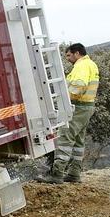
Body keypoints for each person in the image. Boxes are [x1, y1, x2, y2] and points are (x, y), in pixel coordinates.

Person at [38, 43, 99, 184]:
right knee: (78, 141)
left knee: (65, 138)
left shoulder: (81, 66)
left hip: (79, 107)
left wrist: (67, 98)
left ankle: (57, 174)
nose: (67, 58)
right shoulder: (91, 64)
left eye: (68, 55)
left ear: (77, 53)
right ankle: (74, 174)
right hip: (87, 107)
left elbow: (79, 85)